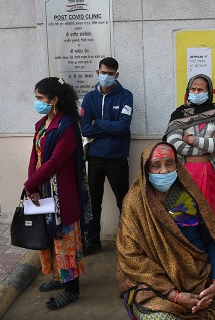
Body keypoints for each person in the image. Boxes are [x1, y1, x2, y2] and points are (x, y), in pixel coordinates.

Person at [116, 142, 215, 319]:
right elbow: (131, 257)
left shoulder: (188, 195)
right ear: (146, 169)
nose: (164, 170)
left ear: (176, 165)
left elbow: (212, 241)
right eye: (156, 165)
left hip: (200, 273)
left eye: (169, 163)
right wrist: (173, 295)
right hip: (156, 284)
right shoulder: (134, 204)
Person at [24, 77, 92, 310]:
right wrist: (32, 186)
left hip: (62, 194)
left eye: (41, 98)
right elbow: (36, 156)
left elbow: (54, 162)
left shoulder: (67, 125)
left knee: (65, 240)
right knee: (49, 237)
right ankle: (58, 277)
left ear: (54, 100)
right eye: (36, 98)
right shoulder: (43, 123)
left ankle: (72, 288)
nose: (37, 102)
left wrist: (31, 182)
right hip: (43, 190)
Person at [163, 74, 215, 224]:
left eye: (200, 90)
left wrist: (193, 140)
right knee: (187, 217)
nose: (196, 93)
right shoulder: (179, 115)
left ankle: (212, 247)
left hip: (214, 174)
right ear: (188, 90)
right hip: (185, 174)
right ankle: (190, 248)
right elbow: (174, 144)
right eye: (193, 89)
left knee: (212, 217)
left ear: (209, 92)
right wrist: (207, 147)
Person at [80, 57, 133, 254]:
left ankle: (128, 242)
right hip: (94, 157)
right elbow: (85, 129)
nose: (107, 77)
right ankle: (93, 241)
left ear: (116, 75)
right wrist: (104, 126)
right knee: (94, 201)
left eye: (111, 74)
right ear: (97, 73)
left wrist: (98, 123)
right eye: (104, 73)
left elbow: (122, 127)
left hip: (117, 157)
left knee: (124, 201)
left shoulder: (126, 96)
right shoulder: (89, 98)